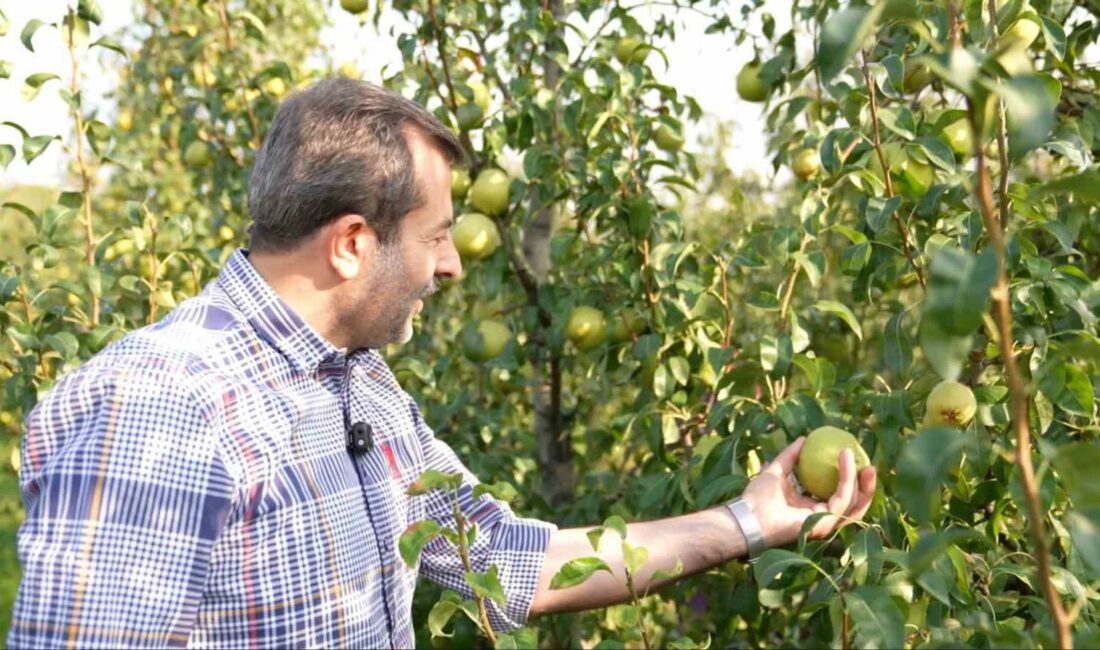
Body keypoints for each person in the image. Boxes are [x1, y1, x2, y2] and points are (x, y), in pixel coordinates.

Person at [8, 77, 877, 648]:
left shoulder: (362, 386)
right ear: (351, 243)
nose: (453, 264)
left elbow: (497, 557)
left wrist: (748, 522)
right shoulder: (159, 407)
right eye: (433, 238)